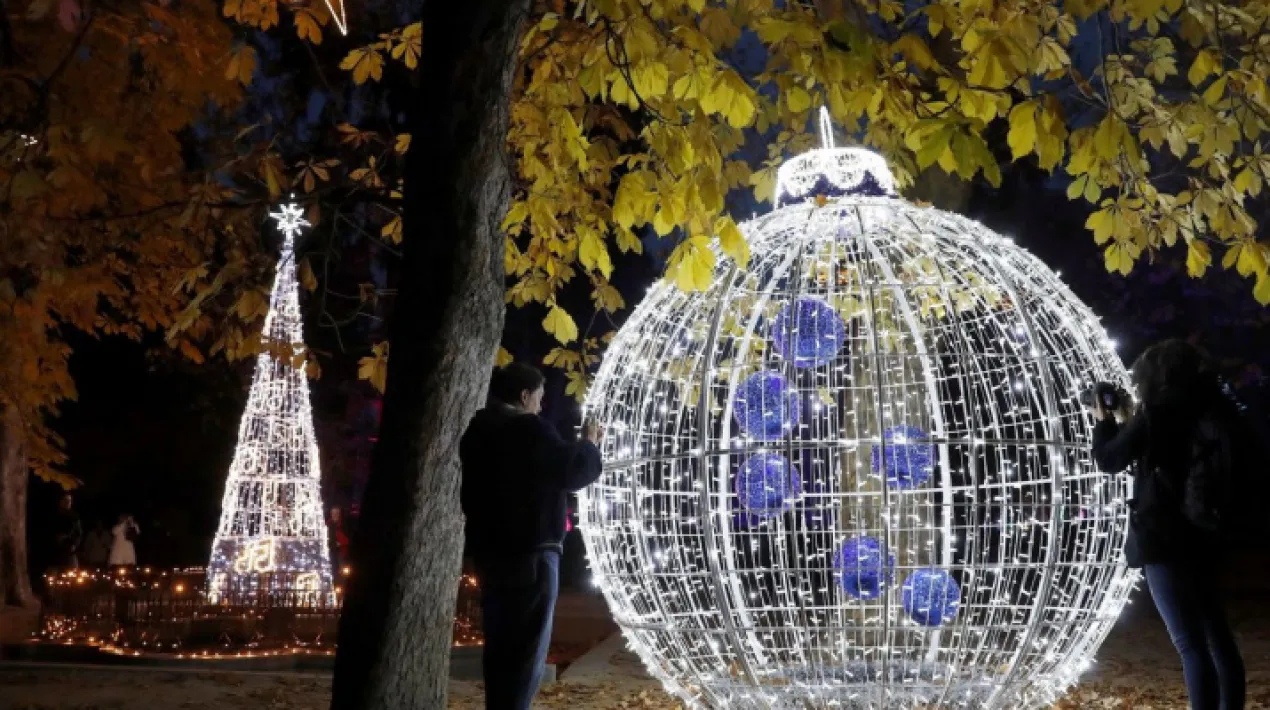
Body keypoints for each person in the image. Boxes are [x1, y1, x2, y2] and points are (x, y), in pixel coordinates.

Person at [1090, 339, 1246, 710]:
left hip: (1164, 536)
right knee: (1217, 638)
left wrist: (1105, 423)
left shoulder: (1158, 413)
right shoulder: (1211, 408)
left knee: (1189, 644)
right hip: (1204, 533)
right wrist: (1133, 423)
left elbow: (1110, 459)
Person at [460, 363, 604, 710]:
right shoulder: (527, 429)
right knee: (526, 651)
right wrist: (588, 445)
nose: (540, 407)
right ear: (524, 396)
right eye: (539, 398)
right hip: (532, 554)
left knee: (501, 646)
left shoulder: (478, 432)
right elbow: (571, 471)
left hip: (492, 556)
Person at [51, 493, 82, 569]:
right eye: (66, 500)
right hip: (55, 551)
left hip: (69, 550)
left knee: (72, 572)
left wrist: (74, 544)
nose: (68, 503)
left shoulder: (74, 516)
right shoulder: (54, 515)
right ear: (61, 501)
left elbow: (79, 533)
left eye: (70, 501)